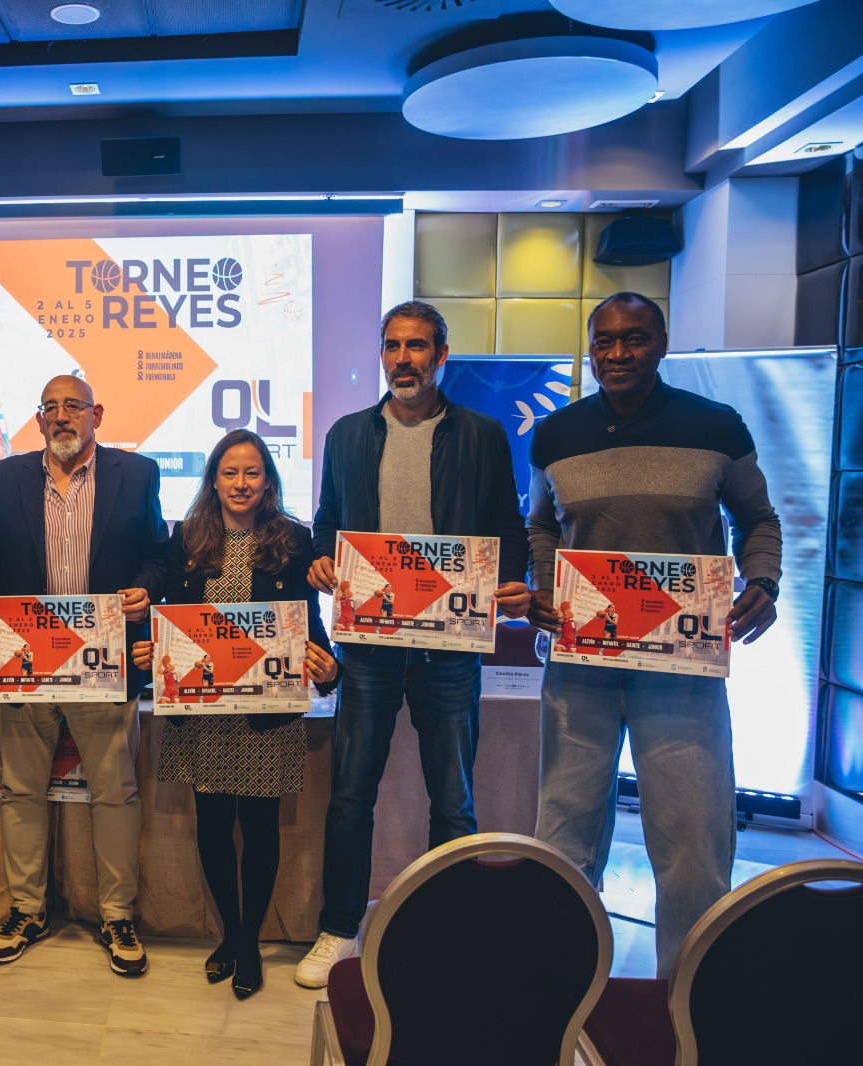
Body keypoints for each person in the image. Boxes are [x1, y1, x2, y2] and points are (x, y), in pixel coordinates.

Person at [527, 292, 780, 973]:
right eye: (603, 341)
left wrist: (763, 581)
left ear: (661, 343)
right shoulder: (555, 436)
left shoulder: (717, 427)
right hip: (580, 668)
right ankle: (558, 988)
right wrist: (546, 588)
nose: (617, 354)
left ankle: (687, 1002)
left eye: (633, 339)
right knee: (563, 834)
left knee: (693, 843)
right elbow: (543, 526)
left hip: (681, 669)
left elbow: (759, 519)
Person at [298, 300, 531, 988]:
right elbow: (328, 525)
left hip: (449, 649)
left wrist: (509, 581)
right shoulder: (346, 435)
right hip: (367, 649)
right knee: (349, 796)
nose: (405, 358)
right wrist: (319, 560)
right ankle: (338, 929)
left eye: (419, 346)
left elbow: (505, 527)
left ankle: (448, 930)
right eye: (394, 346)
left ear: (442, 354)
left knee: (453, 800)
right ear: (381, 354)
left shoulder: (482, 434)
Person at [0, 373, 169, 976]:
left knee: (114, 791)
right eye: (49, 407)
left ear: (96, 412)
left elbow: (161, 555)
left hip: (103, 666)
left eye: (72, 405)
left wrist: (145, 591)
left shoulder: (138, 475)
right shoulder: (4, 478)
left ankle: (117, 915)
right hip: (26, 665)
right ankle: (28, 909)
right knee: (20, 790)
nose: (60, 416)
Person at [130, 429, 340, 999]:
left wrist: (330, 667)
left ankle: (248, 941)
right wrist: (152, 648)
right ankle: (231, 933)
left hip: (267, 715)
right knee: (215, 828)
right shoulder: (188, 538)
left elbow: (309, 627)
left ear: (268, 480)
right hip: (203, 714)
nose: (240, 483)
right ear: (213, 480)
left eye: (251, 473)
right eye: (229, 473)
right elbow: (173, 619)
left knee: (263, 829)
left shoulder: (294, 540)